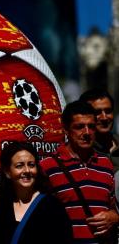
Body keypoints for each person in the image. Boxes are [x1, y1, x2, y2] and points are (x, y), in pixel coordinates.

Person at [0, 141, 72, 244]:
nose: (27, 170)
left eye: (31, 165)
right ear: (8, 172)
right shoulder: (1, 206)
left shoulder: (52, 206)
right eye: (19, 166)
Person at [40, 100, 119, 243]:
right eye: (79, 127)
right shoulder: (48, 166)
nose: (87, 133)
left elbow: (112, 206)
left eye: (91, 126)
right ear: (65, 129)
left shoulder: (106, 165)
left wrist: (114, 217)